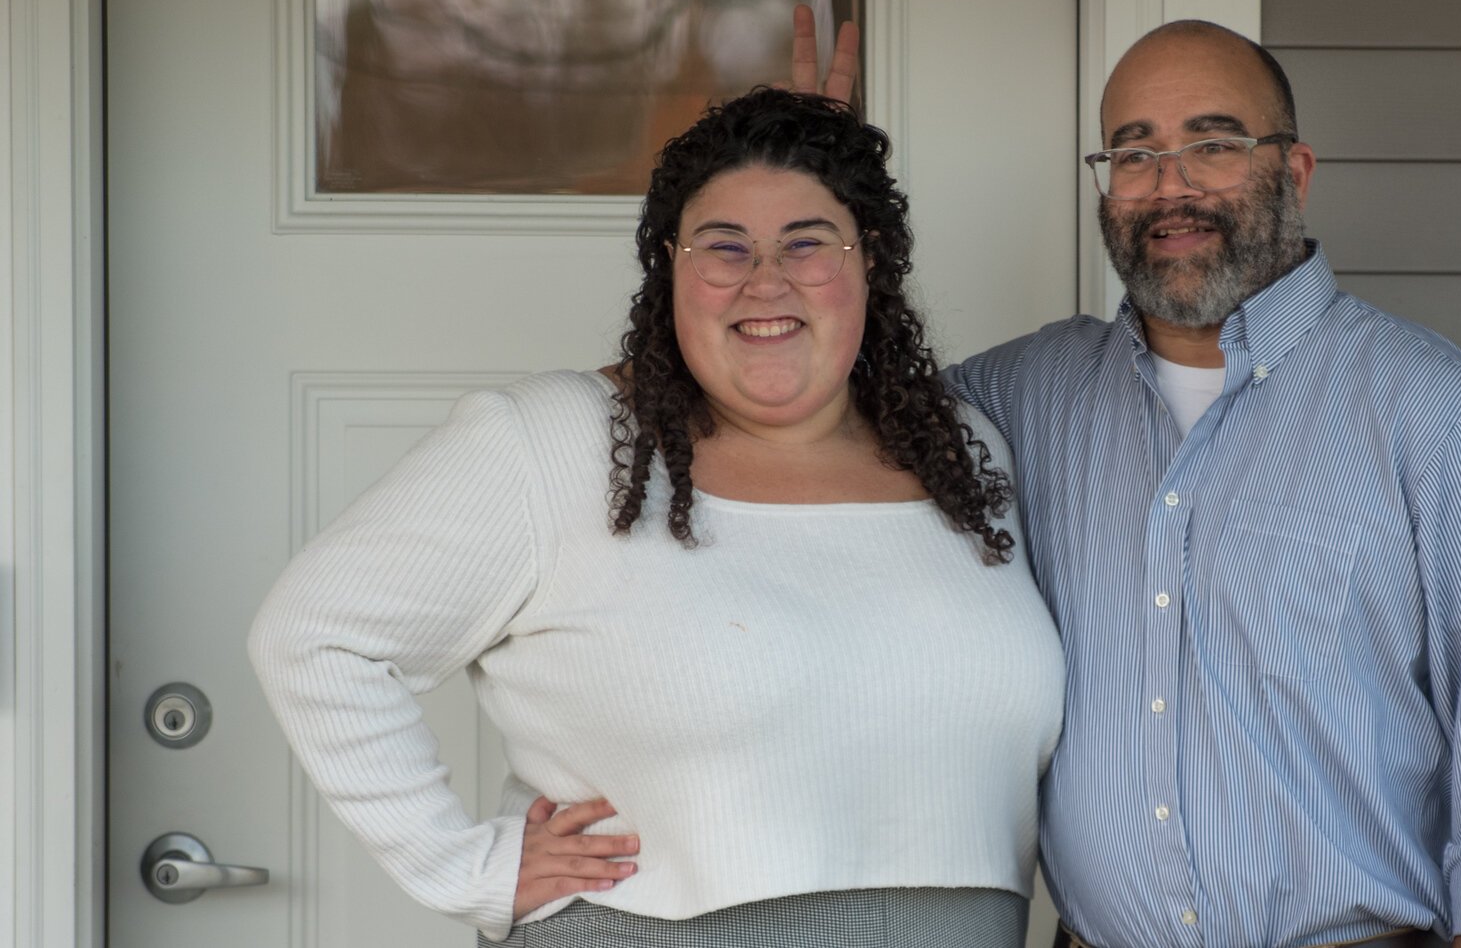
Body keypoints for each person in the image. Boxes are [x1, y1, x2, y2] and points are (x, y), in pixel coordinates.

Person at [798, 13, 1461, 948]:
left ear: (1294, 172)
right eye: (1133, 155)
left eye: (1213, 145)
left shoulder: (1443, 418)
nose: (1169, 188)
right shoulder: (1015, 400)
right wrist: (812, 190)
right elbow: (793, 406)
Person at [248, 87, 1065, 947]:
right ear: (670, 269)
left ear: (871, 263)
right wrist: (463, 868)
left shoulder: (959, 448)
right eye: (725, 247)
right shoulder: (558, 441)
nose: (765, 281)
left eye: (807, 242)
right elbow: (314, 633)